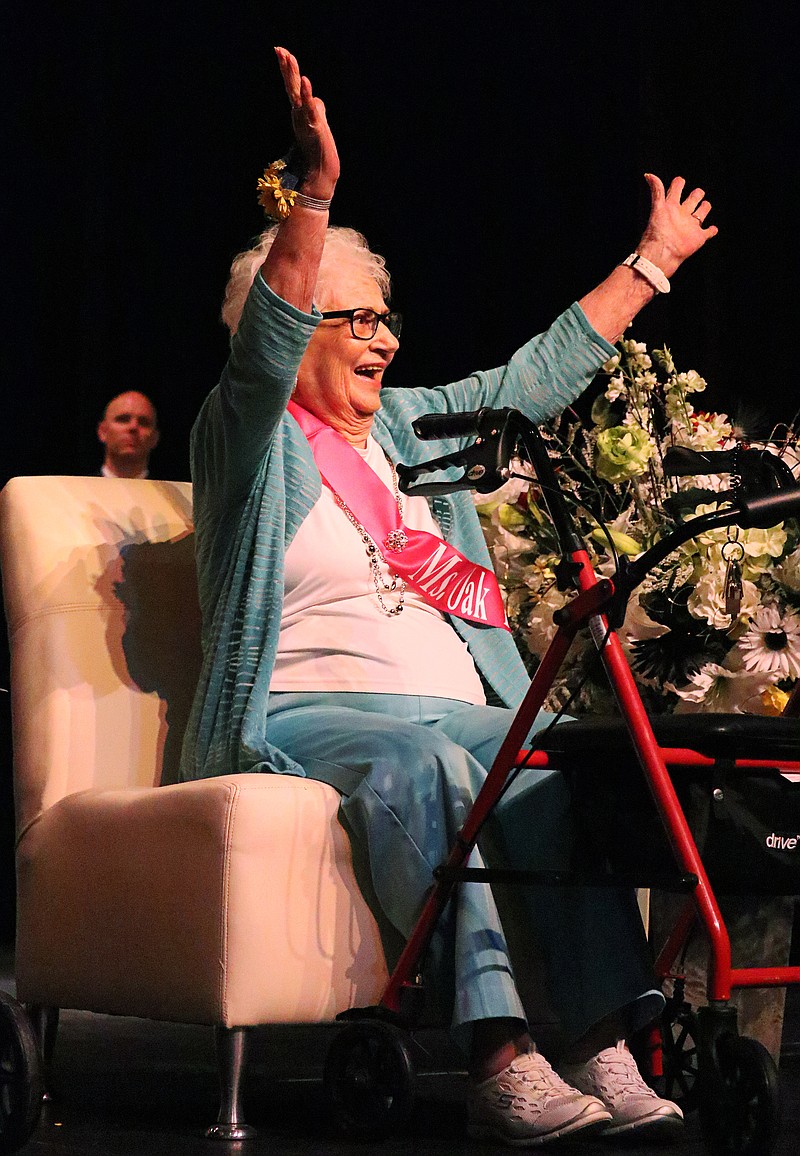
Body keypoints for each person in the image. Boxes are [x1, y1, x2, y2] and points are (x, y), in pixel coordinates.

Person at [180, 47, 718, 1147]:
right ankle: (496, 1053)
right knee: (426, 763)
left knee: (559, 752)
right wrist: (316, 193)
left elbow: (530, 379)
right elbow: (262, 356)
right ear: (288, 338)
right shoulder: (246, 442)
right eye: (354, 320)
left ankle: (601, 1035)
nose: (382, 336)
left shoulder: (412, 431)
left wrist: (651, 263)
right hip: (301, 715)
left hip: (455, 704)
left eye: (385, 316)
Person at [97, 390, 160, 478]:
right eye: (123, 419)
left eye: (143, 422)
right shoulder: (76, 489)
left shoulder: (171, 492)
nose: (133, 427)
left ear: (154, 438)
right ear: (103, 431)